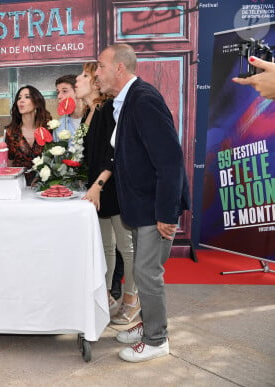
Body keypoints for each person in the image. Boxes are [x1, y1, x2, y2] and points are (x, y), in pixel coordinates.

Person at [95, 44, 190, 363]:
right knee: (142, 268)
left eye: (100, 67)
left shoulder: (144, 99)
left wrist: (166, 213)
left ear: (119, 68)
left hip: (155, 208)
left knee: (147, 272)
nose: (96, 73)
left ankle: (156, 339)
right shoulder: (124, 101)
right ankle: (148, 324)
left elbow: (170, 160)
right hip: (142, 206)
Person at [76, 62, 138, 324]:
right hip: (96, 189)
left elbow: (113, 153)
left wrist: (98, 185)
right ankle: (106, 297)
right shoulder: (87, 113)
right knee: (105, 247)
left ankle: (132, 299)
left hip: (112, 186)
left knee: (127, 247)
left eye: (84, 75)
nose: (77, 80)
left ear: (94, 82)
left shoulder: (108, 110)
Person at [5, 85, 52, 186]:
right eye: (19, 98)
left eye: (27, 97)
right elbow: (8, 163)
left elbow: (54, 160)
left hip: (44, 186)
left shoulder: (47, 129)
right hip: (18, 186)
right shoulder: (11, 132)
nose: (21, 101)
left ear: (36, 102)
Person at [53, 74, 84, 143]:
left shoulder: (92, 116)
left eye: (64, 91)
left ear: (78, 91)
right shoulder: (60, 125)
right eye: (58, 92)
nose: (59, 96)